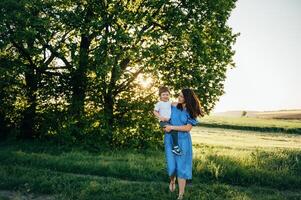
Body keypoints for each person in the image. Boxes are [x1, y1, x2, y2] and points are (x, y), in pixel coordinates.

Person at [163, 88, 203, 200]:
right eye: (179, 96)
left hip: (183, 141)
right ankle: (172, 180)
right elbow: (162, 112)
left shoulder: (191, 111)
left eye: (181, 97)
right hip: (170, 139)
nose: (179, 98)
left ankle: (181, 194)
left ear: (187, 99)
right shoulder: (173, 105)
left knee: (182, 166)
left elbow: (187, 128)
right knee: (171, 165)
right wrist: (164, 124)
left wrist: (172, 127)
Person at [153, 86, 182, 155]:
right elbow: (155, 111)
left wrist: (181, 103)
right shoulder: (159, 103)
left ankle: (174, 147)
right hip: (163, 122)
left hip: (169, 121)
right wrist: (160, 117)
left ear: (169, 95)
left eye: (167, 94)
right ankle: (175, 147)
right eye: (163, 94)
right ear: (160, 95)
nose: (165, 96)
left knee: (173, 131)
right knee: (173, 130)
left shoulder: (169, 102)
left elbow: (175, 104)